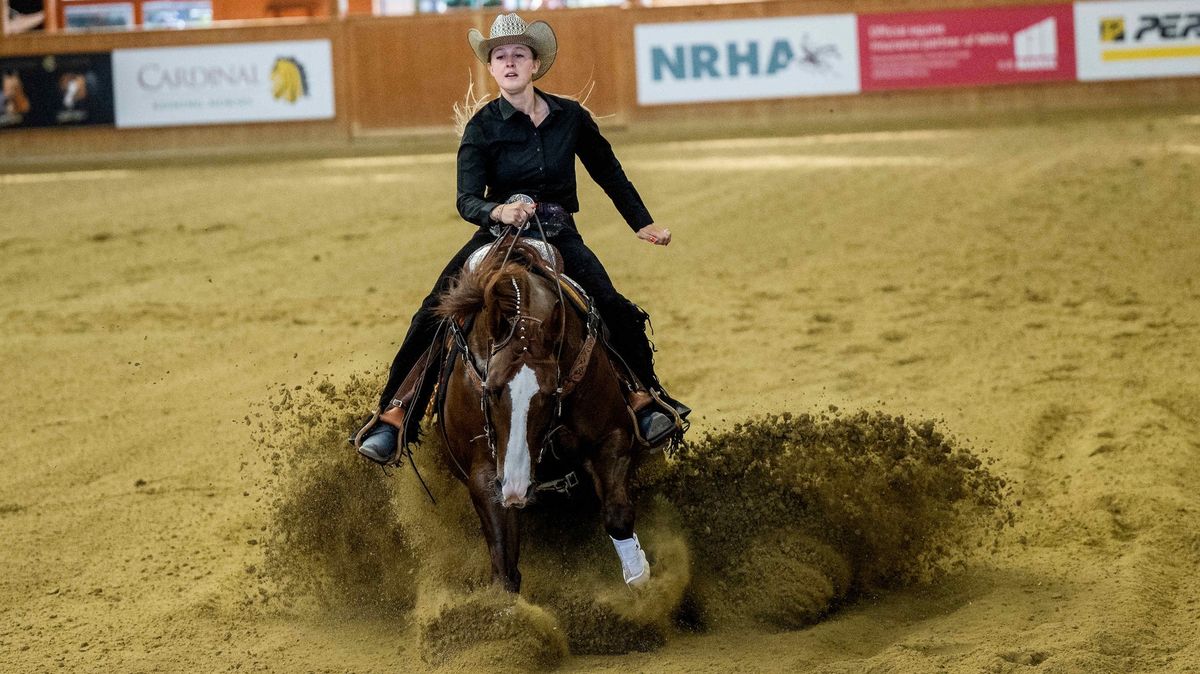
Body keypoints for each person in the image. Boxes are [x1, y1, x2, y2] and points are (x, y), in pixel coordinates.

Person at [356, 12, 688, 464]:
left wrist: (641, 222)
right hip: (496, 235)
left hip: (558, 231)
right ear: (491, 68)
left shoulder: (571, 118)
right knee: (433, 312)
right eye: (500, 56)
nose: (509, 62)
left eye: (518, 54)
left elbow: (609, 172)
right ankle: (394, 415)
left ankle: (643, 397)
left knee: (612, 305)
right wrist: (498, 210)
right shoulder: (481, 127)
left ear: (535, 64)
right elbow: (466, 199)